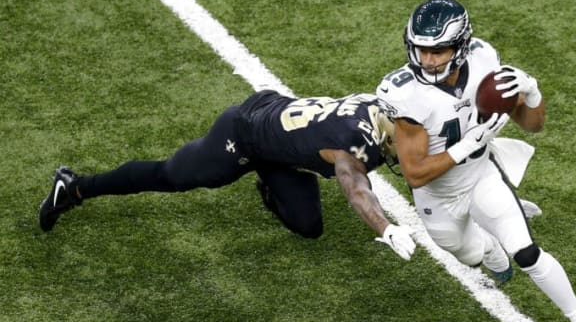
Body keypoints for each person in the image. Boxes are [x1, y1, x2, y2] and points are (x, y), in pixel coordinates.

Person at [376, 0, 576, 322]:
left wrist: (533, 92)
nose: (427, 59)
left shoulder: (483, 60)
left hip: (481, 175)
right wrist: (469, 142)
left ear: (461, 45)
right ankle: (488, 247)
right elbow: (415, 173)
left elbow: (533, 124)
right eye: (420, 49)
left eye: (437, 50)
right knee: (471, 254)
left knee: (527, 253)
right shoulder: (405, 94)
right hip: (438, 198)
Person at [38, 90, 416, 261]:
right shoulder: (352, 146)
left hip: (280, 142)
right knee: (170, 176)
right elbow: (355, 189)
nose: (413, 148)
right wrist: (387, 228)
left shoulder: (379, 108)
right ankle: (75, 187)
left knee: (309, 226)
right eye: (406, 141)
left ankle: (270, 182)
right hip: (244, 134)